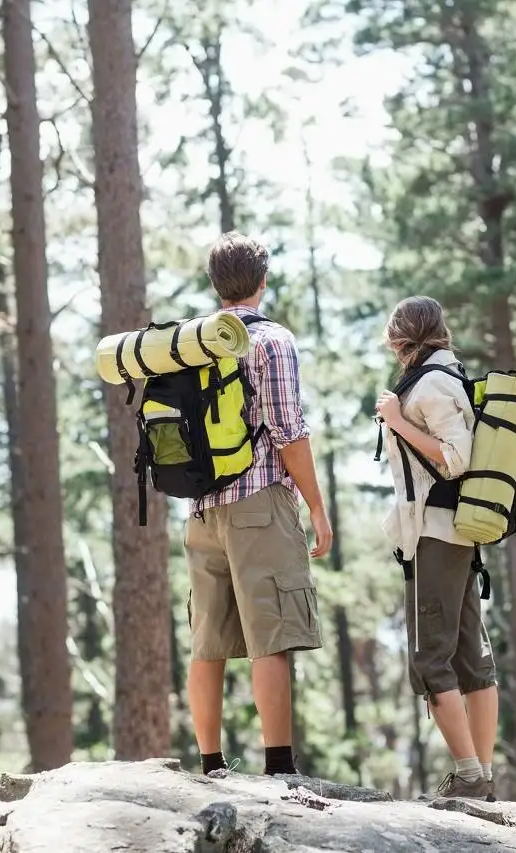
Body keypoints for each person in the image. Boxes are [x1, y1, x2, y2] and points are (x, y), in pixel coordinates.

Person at [185, 231, 333, 778]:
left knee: (209, 639)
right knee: (270, 632)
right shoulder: (271, 341)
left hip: (201, 510)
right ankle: (279, 766)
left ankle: (210, 762)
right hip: (259, 502)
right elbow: (288, 431)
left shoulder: (195, 341)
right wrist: (316, 507)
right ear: (263, 281)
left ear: (216, 284)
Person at [374, 295, 500, 801]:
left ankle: (469, 775)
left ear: (403, 338)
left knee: (432, 660)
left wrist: (398, 422)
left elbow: (456, 459)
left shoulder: (430, 384)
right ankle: (482, 777)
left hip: (437, 532)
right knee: (471, 656)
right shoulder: (450, 376)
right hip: (458, 531)